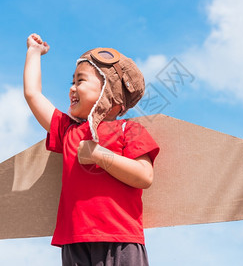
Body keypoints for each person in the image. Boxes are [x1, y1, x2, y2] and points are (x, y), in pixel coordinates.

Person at [23, 33, 160, 265]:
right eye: (72, 82)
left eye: (81, 81)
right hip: (75, 241)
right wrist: (33, 53)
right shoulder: (68, 131)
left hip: (120, 239)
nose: (72, 89)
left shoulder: (129, 129)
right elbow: (32, 94)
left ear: (109, 93)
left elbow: (144, 176)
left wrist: (99, 155)